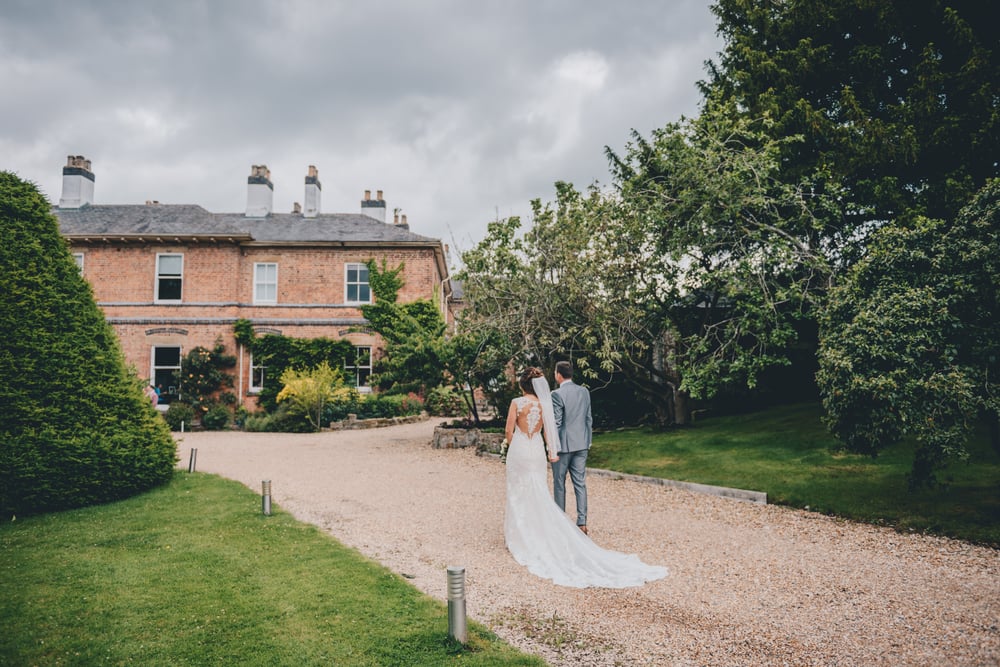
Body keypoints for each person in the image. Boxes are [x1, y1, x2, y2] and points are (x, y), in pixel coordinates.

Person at [503, 367, 667, 588]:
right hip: (537, 452)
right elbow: (548, 431)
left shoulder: (517, 403)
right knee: (540, 490)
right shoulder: (546, 404)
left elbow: (508, 431)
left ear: (522, 385)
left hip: (522, 450)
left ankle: (520, 534)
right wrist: (552, 451)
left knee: (519, 492)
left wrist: (510, 447)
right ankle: (569, 524)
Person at [550, 360, 592, 534]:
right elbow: (588, 418)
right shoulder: (584, 391)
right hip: (582, 443)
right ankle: (582, 523)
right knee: (580, 483)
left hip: (564, 446)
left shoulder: (556, 394)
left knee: (559, 483)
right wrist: (588, 440)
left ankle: (560, 522)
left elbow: (557, 423)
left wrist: (553, 447)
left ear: (559, 374)